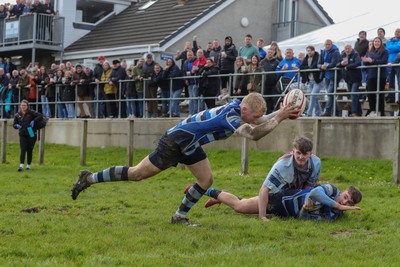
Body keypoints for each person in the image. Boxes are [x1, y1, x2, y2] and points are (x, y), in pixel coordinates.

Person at [71, 92, 299, 226]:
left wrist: (281, 114)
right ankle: (89, 178)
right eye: (254, 115)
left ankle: (179, 216)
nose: (256, 119)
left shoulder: (240, 108)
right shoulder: (230, 116)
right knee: (136, 174)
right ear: (245, 109)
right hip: (176, 141)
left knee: (206, 180)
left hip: (190, 143)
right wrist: (279, 117)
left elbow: (257, 122)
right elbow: (254, 134)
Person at [203, 183, 362, 221]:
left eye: (348, 202)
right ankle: (206, 189)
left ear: (351, 206)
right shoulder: (331, 190)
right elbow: (315, 192)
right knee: (241, 207)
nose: (344, 200)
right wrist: (338, 205)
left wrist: (305, 210)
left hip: (285, 213)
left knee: (244, 204)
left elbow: (302, 219)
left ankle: (222, 196)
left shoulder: (333, 216)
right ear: (342, 192)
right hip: (281, 199)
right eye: (345, 196)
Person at [13, 100, 43, 171]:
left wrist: (34, 121)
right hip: (22, 132)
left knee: (30, 149)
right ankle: (21, 165)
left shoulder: (31, 112)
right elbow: (14, 124)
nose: (23, 107)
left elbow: (40, 116)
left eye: (24, 105)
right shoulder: (17, 114)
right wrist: (16, 125)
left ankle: (28, 165)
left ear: (27, 106)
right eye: (22, 105)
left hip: (30, 131)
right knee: (23, 149)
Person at [362, 37, 389, 117]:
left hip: (381, 75)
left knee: (380, 94)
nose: (376, 43)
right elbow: (366, 64)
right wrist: (366, 61)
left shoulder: (384, 51)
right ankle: (373, 110)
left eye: (378, 41)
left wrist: (372, 61)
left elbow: (383, 61)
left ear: (380, 43)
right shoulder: (369, 51)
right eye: (375, 41)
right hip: (371, 75)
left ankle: (380, 111)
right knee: (370, 94)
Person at [337, 43, 362, 117]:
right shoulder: (342, 55)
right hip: (347, 79)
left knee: (354, 94)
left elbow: (358, 63)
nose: (347, 50)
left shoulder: (355, 54)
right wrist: (341, 63)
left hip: (356, 78)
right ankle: (359, 112)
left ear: (351, 48)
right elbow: (337, 64)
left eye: (348, 48)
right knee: (354, 95)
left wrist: (348, 67)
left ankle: (354, 112)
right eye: (346, 48)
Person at [319, 39, 341, 117]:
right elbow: (318, 63)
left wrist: (326, 66)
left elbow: (334, 63)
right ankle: (337, 112)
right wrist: (321, 66)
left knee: (330, 93)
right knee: (331, 95)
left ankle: (327, 111)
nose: (327, 46)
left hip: (334, 76)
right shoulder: (323, 52)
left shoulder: (336, 52)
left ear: (331, 44)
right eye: (326, 44)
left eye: (329, 44)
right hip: (326, 75)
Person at [301, 45, 322, 117]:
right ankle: (319, 112)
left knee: (313, 95)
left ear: (313, 51)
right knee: (314, 97)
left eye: (310, 51)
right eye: (308, 51)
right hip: (310, 80)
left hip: (318, 80)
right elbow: (302, 67)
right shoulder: (306, 58)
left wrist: (308, 68)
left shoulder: (318, 57)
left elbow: (315, 65)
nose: (309, 52)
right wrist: (308, 68)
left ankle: (309, 113)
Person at [261, 48, 279, 113]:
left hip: (273, 83)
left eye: (271, 52)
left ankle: (273, 111)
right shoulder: (262, 62)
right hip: (265, 83)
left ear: (273, 53)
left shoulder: (276, 62)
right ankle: (266, 112)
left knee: (273, 98)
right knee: (265, 98)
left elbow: (278, 72)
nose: (270, 53)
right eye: (268, 52)